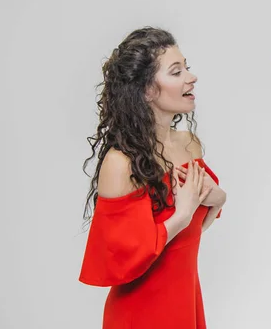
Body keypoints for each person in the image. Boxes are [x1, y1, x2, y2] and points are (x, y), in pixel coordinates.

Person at [78, 27, 226, 329]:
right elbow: (122, 259)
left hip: (185, 302)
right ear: (147, 90)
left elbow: (191, 234)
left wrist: (219, 198)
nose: (190, 77)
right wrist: (181, 214)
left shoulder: (189, 144)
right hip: (140, 313)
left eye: (187, 67)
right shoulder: (120, 163)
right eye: (176, 72)